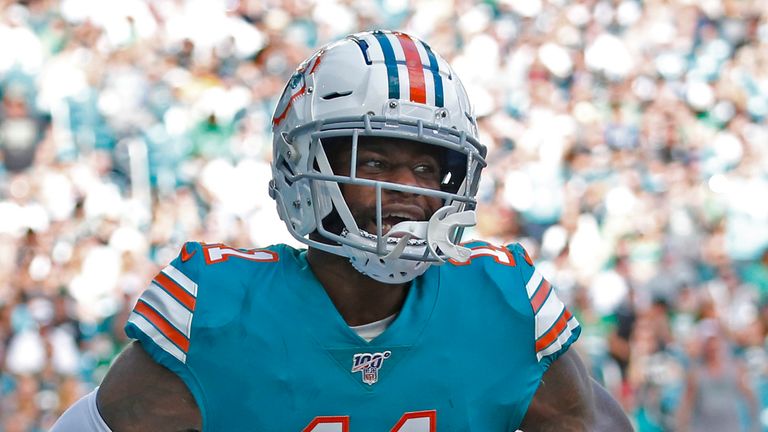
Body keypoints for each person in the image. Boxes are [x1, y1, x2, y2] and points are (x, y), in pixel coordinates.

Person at [51, 30, 632, 431]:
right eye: (374, 162)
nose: (407, 187)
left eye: (427, 167)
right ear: (304, 169)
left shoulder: (501, 303)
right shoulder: (217, 313)